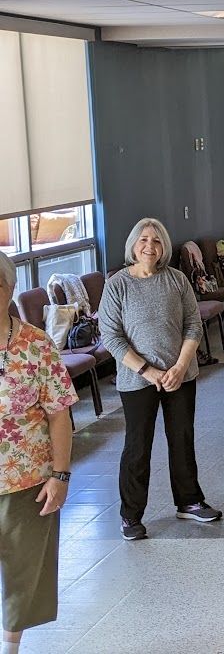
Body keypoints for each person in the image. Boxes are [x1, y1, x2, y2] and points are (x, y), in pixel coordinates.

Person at [99, 218, 222, 540]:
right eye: (143, 240)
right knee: (137, 447)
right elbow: (111, 336)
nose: (149, 246)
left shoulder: (176, 280)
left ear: (163, 246)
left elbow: (193, 326)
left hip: (179, 375)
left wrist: (180, 367)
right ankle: (131, 515)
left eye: (156, 241)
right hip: (137, 379)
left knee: (181, 439)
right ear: (133, 246)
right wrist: (146, 370)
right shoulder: (118, 284)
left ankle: (189, 501)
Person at [0, 251, 76, 653]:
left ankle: (10, 648)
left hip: (27, 479)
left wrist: (60, 475)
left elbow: (59, 414)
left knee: (24, 572)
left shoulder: (36, 345)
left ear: (9, 289)